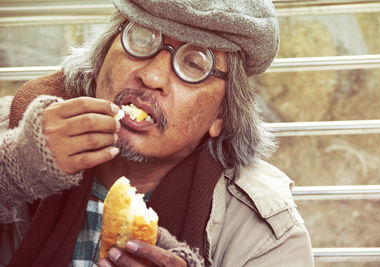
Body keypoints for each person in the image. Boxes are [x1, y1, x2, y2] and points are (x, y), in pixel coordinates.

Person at [0, 0, 314, 266]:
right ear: (101, 56)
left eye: (194, 63)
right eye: (141, 38)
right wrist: (12, 172)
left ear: (221, 114)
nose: (151, 76)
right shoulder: (11, 134)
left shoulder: (268, 232)